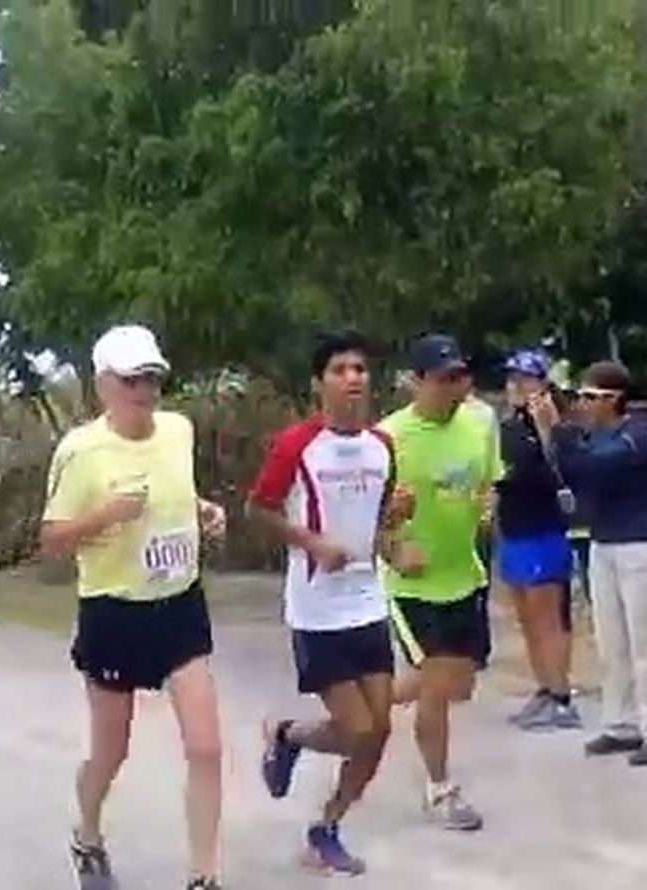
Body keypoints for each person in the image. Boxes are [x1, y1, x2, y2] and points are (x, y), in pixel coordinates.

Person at [38, 324, 229, 890]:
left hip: (178, 604)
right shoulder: (81, 451)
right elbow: (50, 540)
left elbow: (173, 493)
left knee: (207, 746)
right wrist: (106, 515)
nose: (144, 391)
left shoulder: (178, 431)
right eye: (131, 381)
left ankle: (203, 876)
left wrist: (201, 511)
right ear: (103, 385)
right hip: (114, 611)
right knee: (110, 751)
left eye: (152, 379)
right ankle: (87, 834)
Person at [250, 331, 397, 876]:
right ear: (319, 383)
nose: (353, 377)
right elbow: (258, 509)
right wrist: (312, 543)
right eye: (340, 369)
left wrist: (395, 540)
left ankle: (326, 827)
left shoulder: (384, 445)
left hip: (368, 601)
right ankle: (288, 735)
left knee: (378, 731)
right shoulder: (296, 444)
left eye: (360, 368)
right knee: (357, 729)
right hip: (316, 609)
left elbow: (378, 521)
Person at [381, 334, 496, 831]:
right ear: (417, 381)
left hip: (464, 572)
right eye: (445, 379)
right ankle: (440, 789)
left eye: (461, 376)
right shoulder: (388, 438)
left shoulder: (481, 421)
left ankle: (363, 701)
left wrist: (491, 507)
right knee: (438, 685)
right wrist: (390, 538)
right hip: (413, 585)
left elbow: (491, 482)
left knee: (456, 683)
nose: (456, 387)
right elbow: (362, 518)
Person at [558, 361, 647, 766]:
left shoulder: (641, 433)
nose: (583, 404)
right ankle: (621, 723)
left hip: (644, 543)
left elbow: (592, 468)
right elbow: (572, 471)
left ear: (613, 399)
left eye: (590, 397)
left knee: (644, 641)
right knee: (611, 640)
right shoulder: (593, 436)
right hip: (605, 541)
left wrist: (557, 433)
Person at [495, 350, 582, 732]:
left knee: (549, 615)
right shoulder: (509, 426)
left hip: (544, 529)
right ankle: (544, 687)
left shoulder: (554, 426)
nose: (516, 385)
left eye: (525, 378)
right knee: (527, 616)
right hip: (513, 528)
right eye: (512, 377)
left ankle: (562, 696)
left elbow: (566, 474)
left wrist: (549, 431)